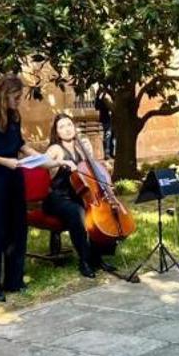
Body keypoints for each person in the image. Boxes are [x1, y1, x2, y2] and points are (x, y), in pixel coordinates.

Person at [0, 74, 48, 302]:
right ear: (3, 94)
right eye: (15, 97)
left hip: (15, 177)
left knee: (17, 228)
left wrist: (42, 158)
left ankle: (14, 281)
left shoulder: (15, 117)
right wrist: (6, 161)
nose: (19, 102)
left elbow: (20, 145)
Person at [43, 113, 118, 278]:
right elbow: (43, 163)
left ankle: (98, 258)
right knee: (78, 213)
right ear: (56, 132)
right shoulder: (55, 148)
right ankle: (84, 260)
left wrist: (90, 155)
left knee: (99, 215)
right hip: (58, 198)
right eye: (61, 127)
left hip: (79, 195)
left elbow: (91, 172)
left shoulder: (80, 146)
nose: (67, 129)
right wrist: (61, 162)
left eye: (69, 125)